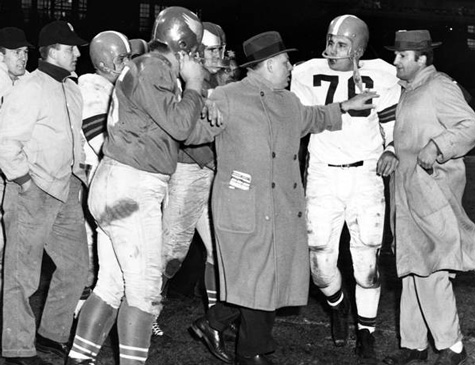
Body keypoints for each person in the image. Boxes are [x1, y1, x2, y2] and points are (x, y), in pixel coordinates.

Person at [186, 31, 378, 365]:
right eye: (285, 61)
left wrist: (346, 106)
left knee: (268, 276)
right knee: (260, 277)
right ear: (269, 64)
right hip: (245, 206)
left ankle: (213, 322)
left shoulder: (288, 101)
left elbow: (313, 117)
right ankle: (253, 352)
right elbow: (190, 133)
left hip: (282, 207)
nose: (291, 67)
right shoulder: (226, 97)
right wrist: (219, 159)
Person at [66, 7, 205, 365]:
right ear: (184, 45)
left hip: (115, 181)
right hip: (133, 185)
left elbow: (171, 128)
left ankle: (78, 360)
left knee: (111, 286)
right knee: (143, 292)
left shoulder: (142, 65)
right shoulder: (155, 68)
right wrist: (193, 85)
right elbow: (181, 126)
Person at [290, 14, 400, 364]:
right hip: (323, 172)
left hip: (365, 174)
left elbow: (392, 123)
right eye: (330, 40)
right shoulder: (305, 72)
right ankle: (338, 304)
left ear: (360, 50)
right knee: (319, 261)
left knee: (367, 259)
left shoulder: (382, 72)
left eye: (341, 45)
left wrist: (391, 149)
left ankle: (366, 332)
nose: (331, 49)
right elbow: (297, 120)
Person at [382, 30, 475, 365]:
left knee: (432, 271)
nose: (396, 61)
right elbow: (410, 136)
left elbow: (469, 125)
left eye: (401, 56)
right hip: (406, 195)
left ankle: (452, 347)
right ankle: (414, 346)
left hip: (433, 195)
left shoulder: (439, 87)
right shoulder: (410, 91)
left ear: (421, 57)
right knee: (410, 270)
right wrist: (393, 151)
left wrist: (438, 147)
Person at [0, 20, 89, 365]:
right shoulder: (30, 87)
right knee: (22, 275)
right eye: (70, 48)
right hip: (32, 190)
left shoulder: (72, 89)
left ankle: (51, 336)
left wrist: (78, 176)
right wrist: (23, 181)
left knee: (76, 268)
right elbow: (6, 142)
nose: (77, 53)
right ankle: (17, 348)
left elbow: (74, 140)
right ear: (53, 51)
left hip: (65, 189)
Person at [159, 21, 228, 323]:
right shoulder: (182, 82)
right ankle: (146, 315)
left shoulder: (221, 83)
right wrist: (212, 160)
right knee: (171, 252)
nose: (219, 54)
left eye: (221, 48)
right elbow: (180, 133)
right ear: (197, 51)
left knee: (219, 250)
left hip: (213, 174)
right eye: (213, 49)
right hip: (188, 171)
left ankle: (214, 320)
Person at [76, 30, 132, 310]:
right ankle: (81, 317)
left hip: (109, 177)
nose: (128, 64)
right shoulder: (92, 87)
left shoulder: (114, 86)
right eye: (123, 58)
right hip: (96, 178)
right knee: (93, 256)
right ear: (105, 61)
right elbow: (100, 138)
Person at [0, 26, 32, 297]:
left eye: (24, 52)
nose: (22, 57)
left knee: (10, 242)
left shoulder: (28, 81)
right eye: (15, 52)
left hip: (14, 170)